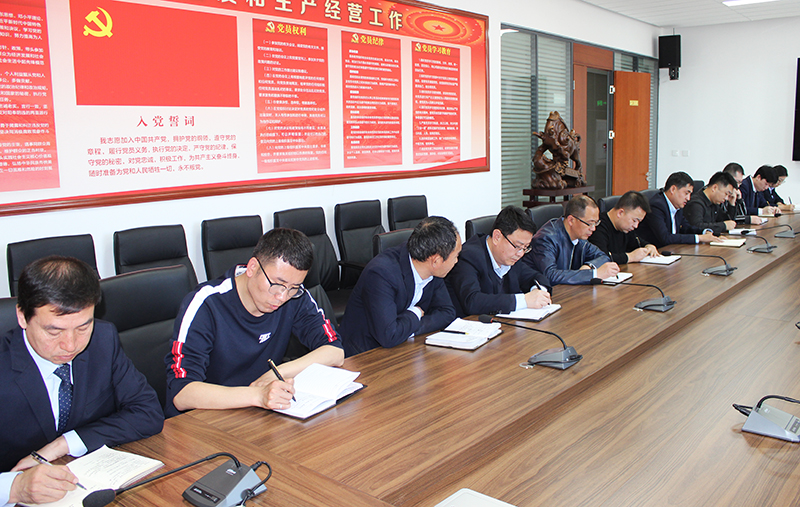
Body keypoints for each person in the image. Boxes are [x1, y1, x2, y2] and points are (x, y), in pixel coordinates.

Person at [1, 256, 164, 506]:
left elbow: (148, 412)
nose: (70, 345)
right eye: (54, 331)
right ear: (22, 316)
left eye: (82, 327)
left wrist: (65, 444)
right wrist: (14, 487)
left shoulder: (103, 339)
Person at [164, 228, 344, 418]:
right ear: (252, 268)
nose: (282, 297)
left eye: (293, 287)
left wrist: (278, 372)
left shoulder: (296, 297)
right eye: (277, 284)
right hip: (204, 418)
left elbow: (335, 352)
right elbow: (182, 394)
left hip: (257, 414)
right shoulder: (206, 304)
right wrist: (258, 395)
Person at [339, 217, 459, 356]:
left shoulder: (432, 269)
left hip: (403, 347)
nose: (457, 261)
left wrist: (408, 328)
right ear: (436, 261)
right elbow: (389, 335)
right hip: (364, 354)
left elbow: (447, 312)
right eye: (456, 256)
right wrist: (415, 313)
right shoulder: (381, 274)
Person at [445, 206, 550, 318]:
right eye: (518, 246)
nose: (521, 254)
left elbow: (536, 277)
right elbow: (472, 301)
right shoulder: (468, 257)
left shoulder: (511, 256)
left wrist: (538, 292)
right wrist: (523, 301)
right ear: (497, 237)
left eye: (525, 247)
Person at [527, 195, 619, 285]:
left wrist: (589, 266)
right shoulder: (546, 239)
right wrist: (593, 274)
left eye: (596, 223)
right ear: (571, 220)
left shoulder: (580, 237)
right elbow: (550, 275)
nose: (593, 228)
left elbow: (603, 256)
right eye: (590, 223)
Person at [637, 171, 720, 247]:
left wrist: (705, 232)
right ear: (673, 189)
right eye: (686, 193)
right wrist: (699, 238)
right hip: (655, 252)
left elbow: (686, 227)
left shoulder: (677, 205)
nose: (688, 198)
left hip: (673, 250)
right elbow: (665, 238)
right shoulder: (656, 206)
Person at [588, 191, 659, 264]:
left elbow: (636, 242)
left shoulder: (625, 228)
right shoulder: (598, 227)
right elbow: (601, 258)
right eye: (634, 220)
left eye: (639, 222)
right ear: (620, 213)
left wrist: (649, 246)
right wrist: (630, 257)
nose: (636, 226)